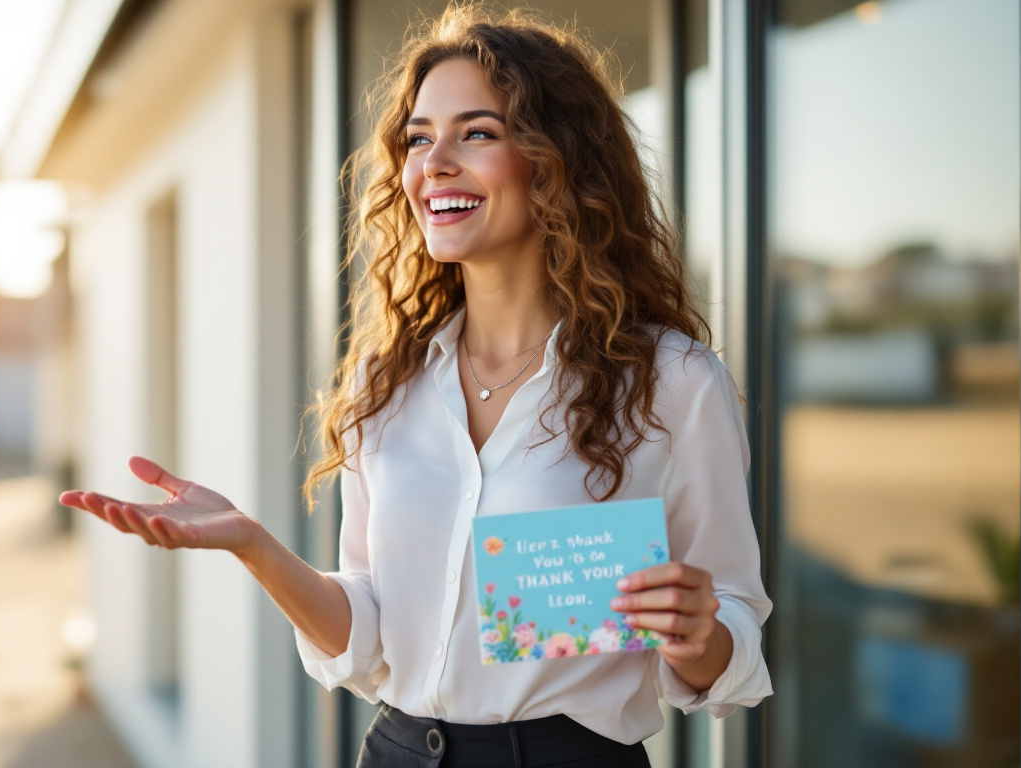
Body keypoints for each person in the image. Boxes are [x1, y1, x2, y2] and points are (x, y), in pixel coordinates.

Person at [59, 6, 771, 766]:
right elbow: (367, 630)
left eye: (478, 133)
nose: (434, 163)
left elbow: (733, 633)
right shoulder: (385, 380)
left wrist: (699, 635)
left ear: (557, 159)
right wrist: (253, 544)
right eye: (419, 137)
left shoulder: (670, 382)